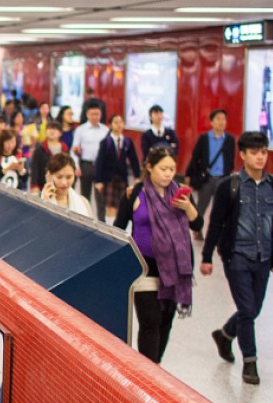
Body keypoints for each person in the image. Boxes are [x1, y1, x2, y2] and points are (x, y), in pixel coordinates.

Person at [114, 147, 203, 364]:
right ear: (150, 167)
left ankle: (154, 366)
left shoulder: (180, 194)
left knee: (165, 322)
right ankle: (148, 373)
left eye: (172, 169)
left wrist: (189, 208)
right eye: (163, 168)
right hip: (144, 267)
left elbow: (198, 224)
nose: (168, 174)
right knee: (150, 321)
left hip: (174, 270)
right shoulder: (135, 193)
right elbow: (118, 229)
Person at [202, 131, 272, 386]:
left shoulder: (271, 186)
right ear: (243, 155)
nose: (260, 157)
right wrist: (207, 255)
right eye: (254, 152)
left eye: (263, 151)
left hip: (263, 257)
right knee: (247, 309)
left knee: (253, 308)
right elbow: (216, 224)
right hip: (237, 256)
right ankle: (250, 362)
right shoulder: (229, 186)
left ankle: (225, 335)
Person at [186, 109, 236, 231]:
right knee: (201, 206)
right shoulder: (204, 138)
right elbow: (195, 157)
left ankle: (217, 232)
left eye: (223, 119)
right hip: (207, 178)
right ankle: (197, 229)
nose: (221, 122)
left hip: (223, 178)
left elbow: (231, 157)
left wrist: (230, 173)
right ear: (211, 122)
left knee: (221, 208)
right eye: (218, 119)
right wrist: (189, 174)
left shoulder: (229, 139)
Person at [93, 114, 141, 216]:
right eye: (115, 122)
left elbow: (134, 159)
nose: (119, 125)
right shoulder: (106, 142)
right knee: (109, 206)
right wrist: (98, 180)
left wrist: (137, 176)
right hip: (109, 178)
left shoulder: (127, 141)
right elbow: (100, 162)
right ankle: (109, 226)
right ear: (110, 125)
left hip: (122, 178)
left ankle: (117, 226)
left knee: (122, 204)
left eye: (121, 122)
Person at [71, 100, 109, 221]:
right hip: (86, 165)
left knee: (101, 197)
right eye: (92, 114)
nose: (94, 117)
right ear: (87, 114)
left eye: (97, 114)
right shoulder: (80, 130)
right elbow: (74, 149)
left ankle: (102, 223)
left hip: (101, 166)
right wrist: (76, 166)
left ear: (101, 114)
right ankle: (85, 220)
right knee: (85, 196)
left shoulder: (106, 130)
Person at [41, 153, 93, 218]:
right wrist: (45, 203)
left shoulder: (83, 203)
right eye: (59, 177)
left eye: (69, 177)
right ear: (49, 176)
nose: (64, 183)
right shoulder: (37, 200)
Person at [29, 120, 69, 193]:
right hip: (42, 185)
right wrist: (34, 185)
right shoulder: (40, 148)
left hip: (60, 186)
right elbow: (34, 167)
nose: (51, 131)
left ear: (60, 133)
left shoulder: (64, 149)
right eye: (49, 129)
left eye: (55, 129)